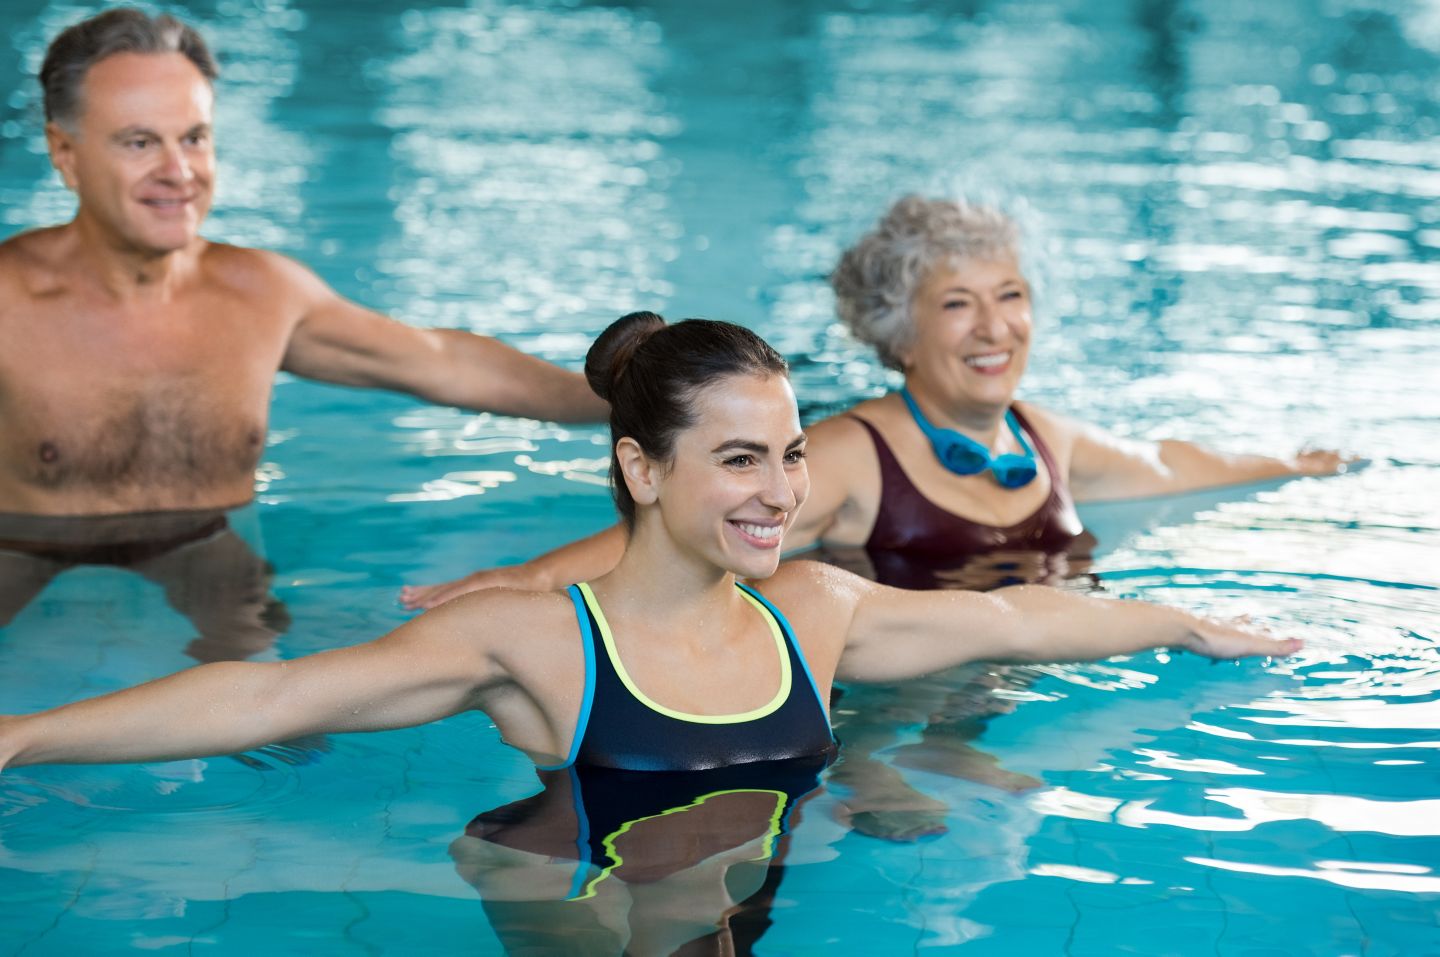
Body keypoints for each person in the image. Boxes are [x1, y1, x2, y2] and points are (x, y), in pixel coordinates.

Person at [0, 313, 1298, 948]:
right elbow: (271, 700)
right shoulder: (540, 643)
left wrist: (1182, 622)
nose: (782, 491)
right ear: (641, 469)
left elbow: (1020, 616)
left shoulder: (815, 610)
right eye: (738, 459)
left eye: (790, 454)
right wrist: (19, 736)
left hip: (725, 904)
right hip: (566, 887)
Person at [401, 195, 1348, 607]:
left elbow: (1168, 467)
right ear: (899, 332)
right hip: (889, 715)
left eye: (1010, 297)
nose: (994, 328)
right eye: (957, 305)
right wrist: (495, 587)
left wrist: (1294, 466)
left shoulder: (1042, 436)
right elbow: (664, 539)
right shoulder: (849, 456)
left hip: (1027, 680)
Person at [0, 9, 603, 656]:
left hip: (205, 547)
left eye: (196, 138)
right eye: (139, 142)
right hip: (24, 548)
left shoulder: (260, 294)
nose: (179, 172)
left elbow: (443, 361)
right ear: (65, 152)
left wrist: (622, 398)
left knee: (289, 739)